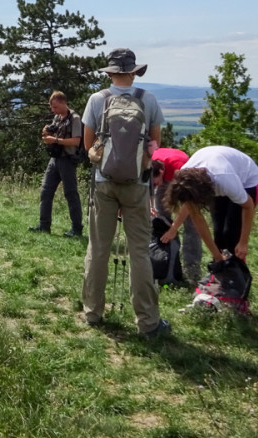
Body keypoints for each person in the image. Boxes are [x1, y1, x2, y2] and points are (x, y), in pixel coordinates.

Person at [81, 48, 169, 336]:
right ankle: (148, 322)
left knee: (98, 249)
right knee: (139, 252)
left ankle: (93, 313)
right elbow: (156, 145)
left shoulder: (97, 100)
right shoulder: (149, 100)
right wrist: (142, 161)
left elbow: (88, 146)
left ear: (109, 73)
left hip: (103, 183)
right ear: (134, 72)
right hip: (138, 185)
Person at [160, 145, 258, 263]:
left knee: (232, 235)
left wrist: (243, 242)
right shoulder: (184, 179)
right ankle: (222, 274)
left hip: (247, 179)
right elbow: (197, 218)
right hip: (215, 173)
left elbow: (248, 207)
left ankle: (239, 276)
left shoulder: (225, 181)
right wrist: (217, 256)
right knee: (219, 236)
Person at [29, 91, 83, 237]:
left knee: (70, 194)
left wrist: (55, 140)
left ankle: (77, 228)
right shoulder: (57, 118)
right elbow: (52, 131)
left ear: (63, 102)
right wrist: (46, 132)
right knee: (46, 191)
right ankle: (44, 225)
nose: (53, 110)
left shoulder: (75, 119)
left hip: (68, 160)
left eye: (55, 107)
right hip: (55, 159)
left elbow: (76, 141)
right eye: (52, 107)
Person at [151, 147, 202, 283]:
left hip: (183, 178)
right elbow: (148, 187)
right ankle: (165, 261)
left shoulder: (179, 168)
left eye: (155, 184)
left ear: (161, 172)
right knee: (161, 221)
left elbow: (188, 204)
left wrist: (174, 229)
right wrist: (151, 206)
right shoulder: (148, 164)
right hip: (164, 175)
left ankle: (192, 269)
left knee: (191, 225)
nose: (154, 187)